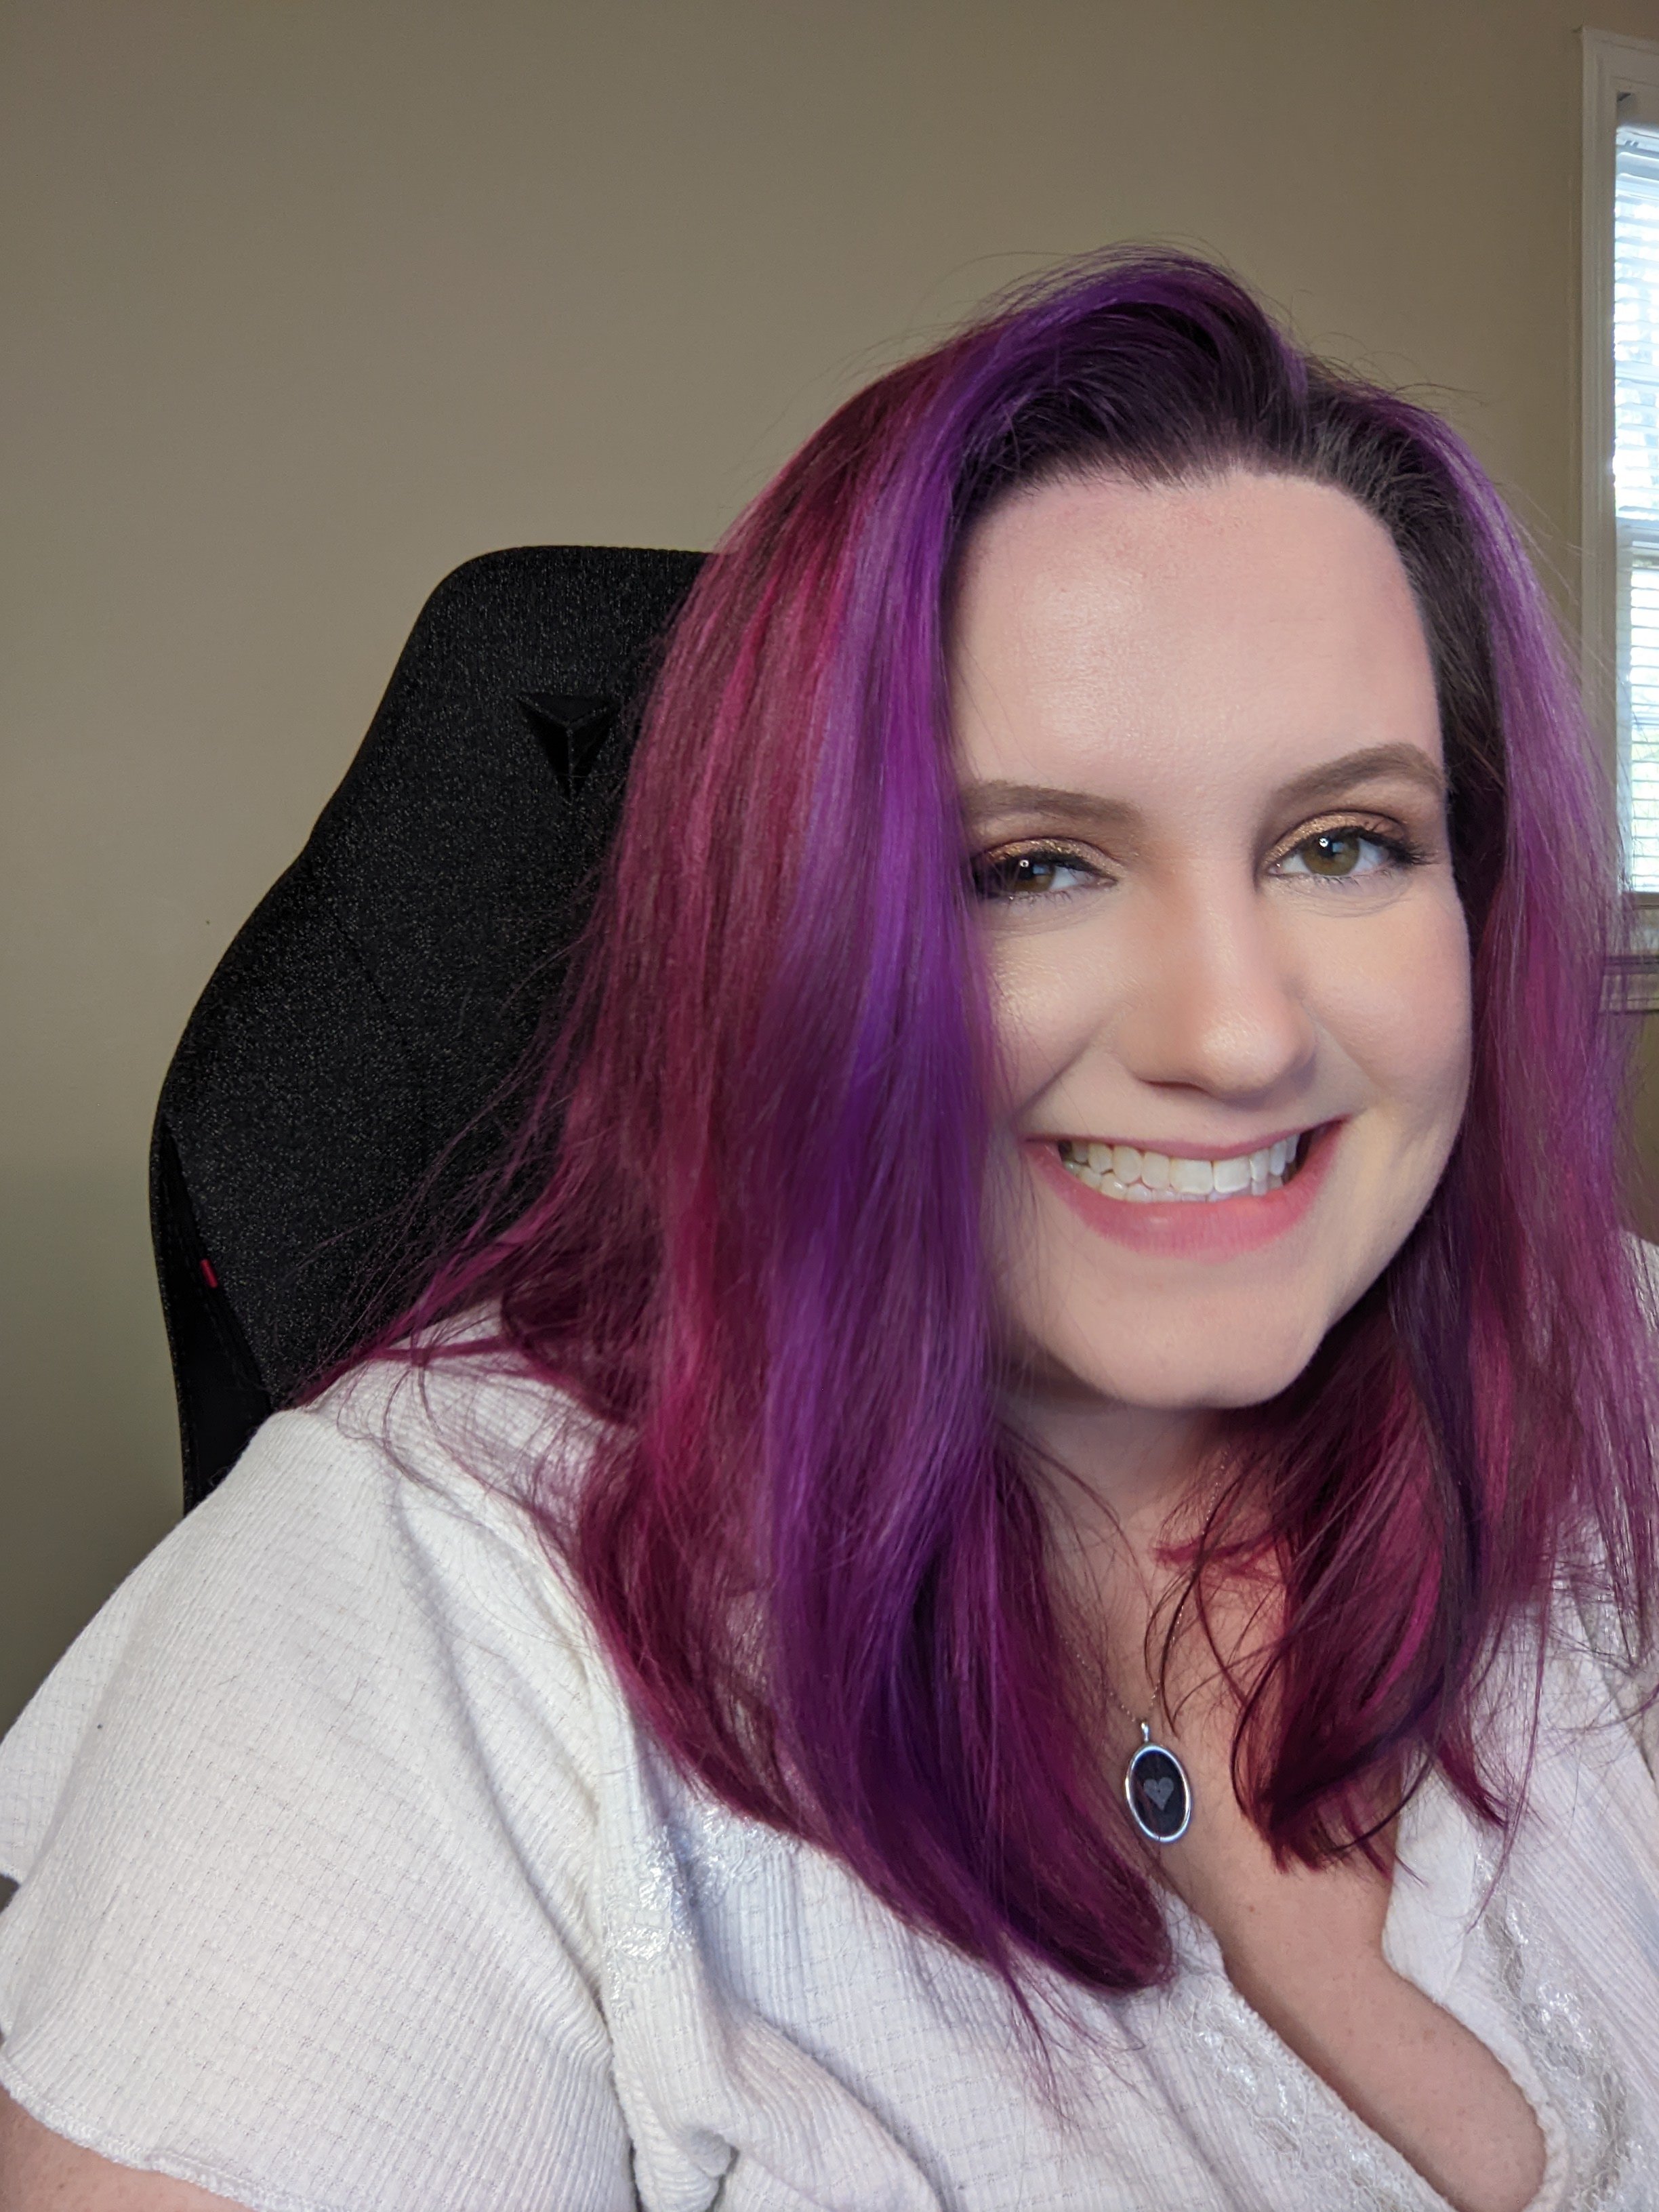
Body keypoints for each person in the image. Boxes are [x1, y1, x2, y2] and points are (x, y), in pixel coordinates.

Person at [1, 249, 1656, 2212]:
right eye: (1031, 865)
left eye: (1343, 843)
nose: (1236, 1038)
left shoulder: (1612, 1375)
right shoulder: (401, 1623)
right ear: (781, 938)